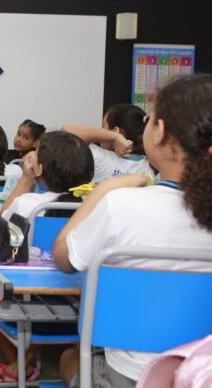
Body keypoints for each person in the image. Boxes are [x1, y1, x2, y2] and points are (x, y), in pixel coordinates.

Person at [53, 75, 212, 387]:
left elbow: (63, 257)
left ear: (161, 132)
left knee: (69, 359)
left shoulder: (121, 204)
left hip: (131, 376)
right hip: (203, 373)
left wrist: (103, 192)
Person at [0, 130, 94, 382]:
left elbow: (1, 225)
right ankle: (23, 361)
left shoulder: (29, 204)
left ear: (41, 169)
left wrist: (26, 178)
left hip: (32, 313)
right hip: (88, 314)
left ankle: (17, 363)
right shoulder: (96, 204)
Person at [63, 104, 154, 183]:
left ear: (115, 131)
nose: (101, 130)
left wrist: (114, 137)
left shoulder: (100, 158)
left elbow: (66, 132)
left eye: (104, 126)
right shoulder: (150, 166)